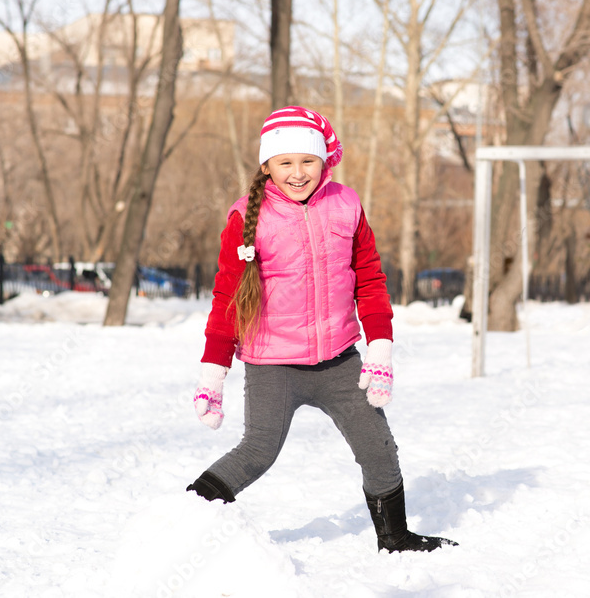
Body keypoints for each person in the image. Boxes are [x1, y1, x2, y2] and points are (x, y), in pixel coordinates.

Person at [187, 106, 456, 554]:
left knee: (378, 448)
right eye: (285, 162)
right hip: (273, 365)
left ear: (324, 161)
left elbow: (369, 279)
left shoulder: (346, 205)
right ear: (267, 165)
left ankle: (396, 537)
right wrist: (213, 374)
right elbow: (228, 300)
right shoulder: (246, 218)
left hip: (339, 361)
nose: (297, 173)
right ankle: (183, 520)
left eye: (308, 161)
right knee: (257, 452)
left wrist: (380, 349)